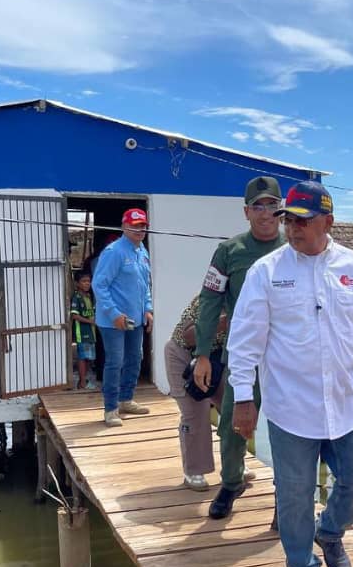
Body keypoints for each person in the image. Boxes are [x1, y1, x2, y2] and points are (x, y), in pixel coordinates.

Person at [227, 180, 353, 567]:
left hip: (346, 402)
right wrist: (244, 398)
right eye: (288, 221)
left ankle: (332, 531)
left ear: (328, 222)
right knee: (294, 495)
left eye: (303, 221)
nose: (293, 229)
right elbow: (245, 339)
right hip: (290, 407)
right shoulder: (267, 272)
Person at [192, 176, 286, 519]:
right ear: (246, 212)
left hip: (287, 360)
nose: (265, 213)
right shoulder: (229, 251)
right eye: (258, 206)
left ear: (281, 208)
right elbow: (209, 301)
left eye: (272, 205)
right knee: (232, 422)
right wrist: (203, 354)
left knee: (288, 429)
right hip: (244, 356)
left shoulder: (295, 248)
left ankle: (284, 498)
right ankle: (231, 484)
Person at [92, 208, 154, 427]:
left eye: (143, 226)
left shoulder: (141, 251)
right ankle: (110, 409)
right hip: (113, 321)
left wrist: (148, 308)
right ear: (124, 226)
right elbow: (99, 285)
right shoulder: (114, 251)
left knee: (135, 358)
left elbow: (145, 284)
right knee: (115, 362)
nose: (140, 230)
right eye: (135, 225)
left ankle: (126, 399)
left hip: (135, 318)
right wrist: (114, 314)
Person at [164, 295, 228, 490]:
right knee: (196, 414)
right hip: (182, 356)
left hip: (216, 360)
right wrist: (223, 322)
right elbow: (188, 336)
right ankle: (194, 471)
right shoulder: (208, 299)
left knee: (231, 408)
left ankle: (234, 465)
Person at [70, 270, 97, 389]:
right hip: (82, 333)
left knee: (88, 358)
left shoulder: (89, 297)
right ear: (77, 283)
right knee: (82, 357)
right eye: (84, 281)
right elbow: (74, 315)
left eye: (89, 281)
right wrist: (90, 321)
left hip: (91, 332)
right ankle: (82, 383)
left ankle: (84, 381)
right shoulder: (77, 297)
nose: (87, 284)